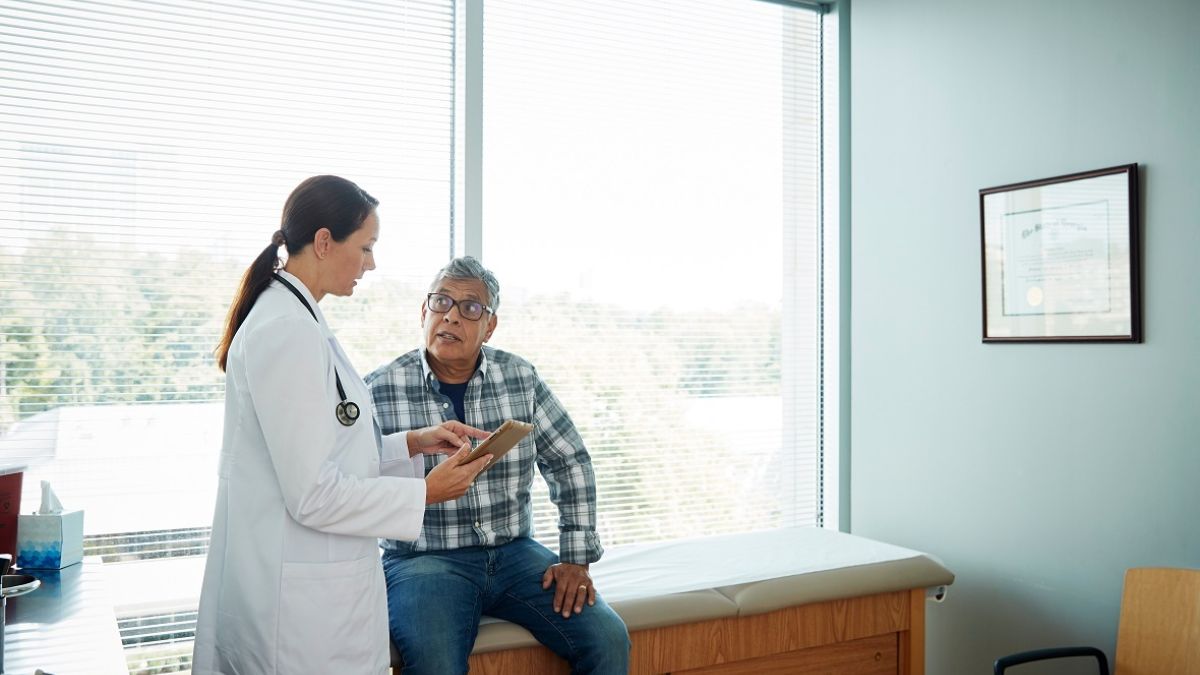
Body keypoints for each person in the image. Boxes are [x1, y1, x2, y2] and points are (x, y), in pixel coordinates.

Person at [192, 176, 492, 674]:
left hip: (311, 588)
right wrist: (425, 494)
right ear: (326, 242)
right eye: (366, 247)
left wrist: (412, 445)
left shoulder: (297, 319)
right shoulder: (286, 331)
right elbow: (312, 493)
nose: (371, 263)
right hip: (297, 609)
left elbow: (326, 447)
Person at [366, 256, 631, 675]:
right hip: (422, 560)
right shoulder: (377, 389)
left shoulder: (520, 377)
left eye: (470, 308)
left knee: (609, 639)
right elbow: (352, 484)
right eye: (441, 303)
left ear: (489, 326)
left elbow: (569, 460)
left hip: (515, 553)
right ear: (423, 312)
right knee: (436, 664)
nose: (451, 315)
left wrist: (575, 557)